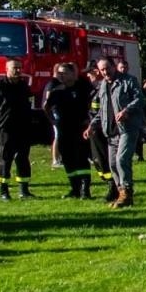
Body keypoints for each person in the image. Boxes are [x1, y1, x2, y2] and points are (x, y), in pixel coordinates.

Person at [93, 55, 144, 208]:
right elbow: (102, 110)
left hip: (127, 128)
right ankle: (121, 193)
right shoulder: (102, 85)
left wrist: (126, 110)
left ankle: (127, 192)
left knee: (122, 160)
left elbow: (140, 99)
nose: (105, 72)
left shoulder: (129, 81)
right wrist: (92, 125)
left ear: (113, 66)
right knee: (113, 164)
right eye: (102, 70)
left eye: (107, 68)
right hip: (111, 130)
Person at [0, 58, 35, 200]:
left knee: (23, 159)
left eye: (19, 68)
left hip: (23, 128)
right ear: (6, 69)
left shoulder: (24, 86)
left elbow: (29, 104)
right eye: (14, 68)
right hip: (5, 129)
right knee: (5, 160)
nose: (18, 70)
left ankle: (24, 191)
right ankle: (3, 192)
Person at [45, 62, 94, 198]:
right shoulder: (56, 91)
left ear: (73, 74)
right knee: (68, 158)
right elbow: (46, 107)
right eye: (60, 73)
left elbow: (93, 103)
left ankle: (85, 189)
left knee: (81, 157)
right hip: (64, 129)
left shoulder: (83, 87)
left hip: (80, 128)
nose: (61, 75)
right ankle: (75, 188)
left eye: (65, 73)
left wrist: (89, 119)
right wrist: (53, 121)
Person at [85, 66, 115, 202]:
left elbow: (102, 111)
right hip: (93, 129)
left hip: (102, 129)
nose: (88, 76)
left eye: (90, 73)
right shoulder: (92, 89)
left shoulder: (104, 88)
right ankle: (110, 183)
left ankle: (113, 187)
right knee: (97, 160)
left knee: (105, 159)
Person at [115, 57, 144, 160]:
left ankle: (139, 155)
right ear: (117, 68)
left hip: (130, 115)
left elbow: (139, 98)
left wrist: (127, 110)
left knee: (136, 137)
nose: (123, 69)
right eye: (121, 67)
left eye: (125, 67)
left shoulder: (131, 80)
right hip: (117, 117)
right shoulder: (113, 81)